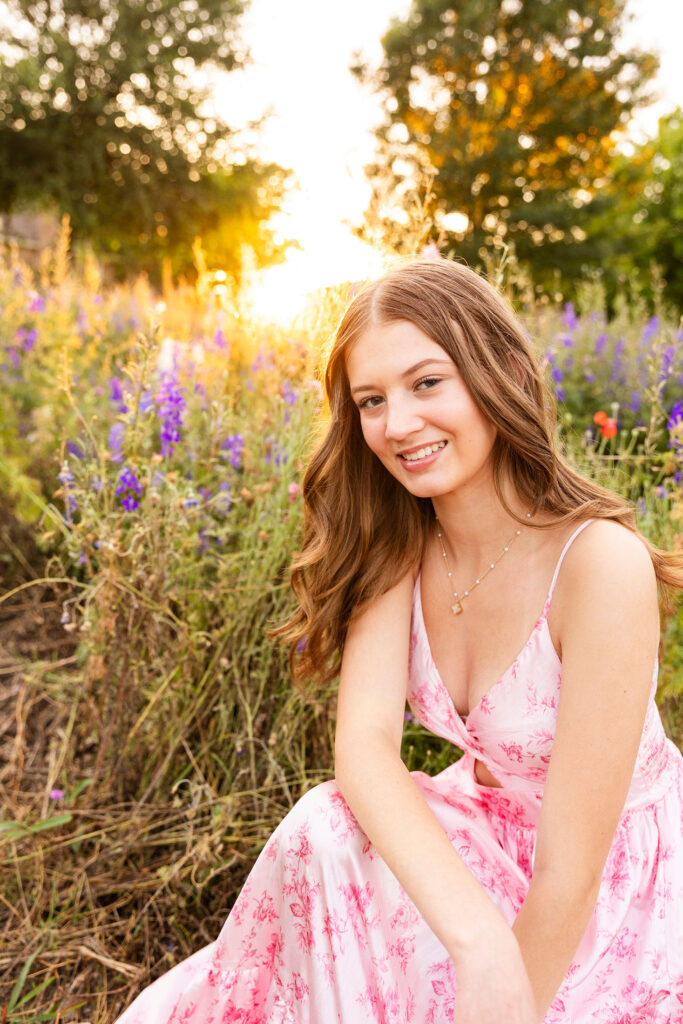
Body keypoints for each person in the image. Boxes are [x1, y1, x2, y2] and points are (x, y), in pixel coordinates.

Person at [114, 257, 683, 1024]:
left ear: (502, 372)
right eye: (371, 401)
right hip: (481, 841)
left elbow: (571, 873)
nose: (398, 425)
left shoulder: (596, 565)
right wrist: (479, 940)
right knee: (324, 827)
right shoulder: (401, 547)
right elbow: (365, 746)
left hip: (617, 886)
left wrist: (507, 988)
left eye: (425, 384)